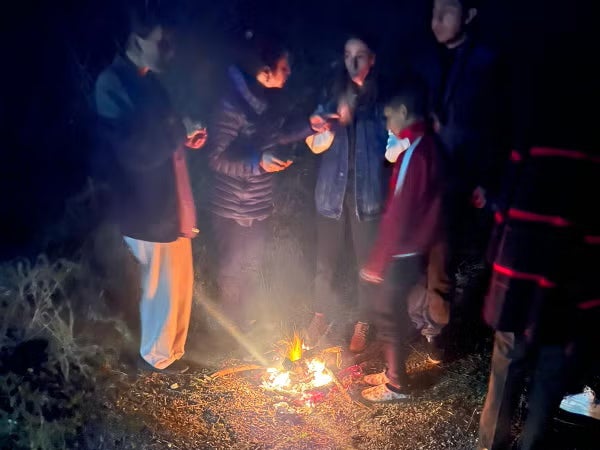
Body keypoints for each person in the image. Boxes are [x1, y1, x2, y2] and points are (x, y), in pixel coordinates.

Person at [477, 17, 599, 449]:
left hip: (522, 273)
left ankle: (493, 445)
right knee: (546, 381)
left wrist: (495, 259)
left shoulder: (534, 126)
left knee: (508, 369)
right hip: (567, 281)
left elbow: (504, 200)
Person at [94, 4, 206, 373]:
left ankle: (171, 350)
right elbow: (134, 151)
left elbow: (168, 130)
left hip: (170, 201)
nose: (168, 51)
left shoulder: (151, 83)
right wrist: (177, 132)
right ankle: (152, 357)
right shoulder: (112, 84)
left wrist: (187, 134)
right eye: (162, 42)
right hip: (142, 204)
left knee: (178, 283)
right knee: (157, 287)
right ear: (135, 40)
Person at [408, 0, 507, 357]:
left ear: (469, 15)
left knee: (444, 258)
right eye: (434, 12)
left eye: (447, 12)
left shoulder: (486, 63)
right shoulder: (429, 60)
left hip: (461, 177)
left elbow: (494, 127)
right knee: (422, 255)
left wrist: (484, 179)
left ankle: (442, 333)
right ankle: (425, 324)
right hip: (428, 173)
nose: (437, 21)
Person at [207, 34, 324, 333]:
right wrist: (258, 161)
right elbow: (216, 157)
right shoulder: (231, 103)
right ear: (266, 68)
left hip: (257, 204)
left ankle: (246, 324)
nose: (289, 73)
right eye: (284, 67)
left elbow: (277, 135)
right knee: (231, 272)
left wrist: (310, 126)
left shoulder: (269, 100)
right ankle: (231, 332)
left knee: (251, 267)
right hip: (232, 206)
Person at [359, 78, 444, 401]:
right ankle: (393, 373)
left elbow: (399, 210)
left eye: (388, 115)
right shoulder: (429, 146)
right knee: (397, 310)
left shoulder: (415, 153)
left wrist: (377, 261)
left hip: (403, 250)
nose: (386, 122)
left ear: (403, 112)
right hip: (416, 247)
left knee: (388, 313)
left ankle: (396, 385)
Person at [306, 35, 389, 354]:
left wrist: (396, 139)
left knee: (366, 264)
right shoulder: (330, 97)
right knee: (324, 263)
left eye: (360, 55)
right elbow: (313, 144)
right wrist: (324, 127)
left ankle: (362, 322)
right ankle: (320, 316)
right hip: (331, 194)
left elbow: (395, 148)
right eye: (347, 55)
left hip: (367, 197)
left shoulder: (382, 102)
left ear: (372, 59)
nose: (353, 62)